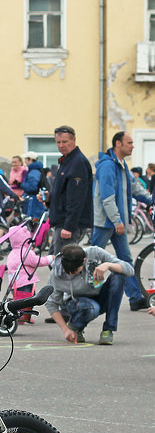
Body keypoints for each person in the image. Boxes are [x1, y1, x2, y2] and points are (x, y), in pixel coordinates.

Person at [91, 131, 153, 312]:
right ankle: (88, 295)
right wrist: (117, 220)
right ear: (118, 144)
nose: (132, 145)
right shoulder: (107, 166)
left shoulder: (122, 165)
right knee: (93, 260)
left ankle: (135, 298)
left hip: (117, 223)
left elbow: (135, 189)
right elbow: (107, 197)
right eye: (130, 142)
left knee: (125, 259)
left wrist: (151, 200)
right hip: (106, 223)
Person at [45, 243, 133, 345]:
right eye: (67, 271)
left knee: (118, 276)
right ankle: (75, 325)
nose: (70, 274)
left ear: (84, 261)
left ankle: (108, 329)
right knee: (92, 308)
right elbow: (51, 303)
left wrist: (108, 265)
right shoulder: (56, 273)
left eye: (74, 271)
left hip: (99, 296)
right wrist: (66, 330)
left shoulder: (94, 252)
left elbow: (129, 270)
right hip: (76, 303)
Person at [48, 125, 93, 255]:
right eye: (58, 142)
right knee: (54, 261)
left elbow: (77, 198)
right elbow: (64, 193)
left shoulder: (77, 162)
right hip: (61, 221)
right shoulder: (67, 160)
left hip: (68, 225)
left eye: (65, 142)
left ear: (74, 140)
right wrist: (49, 198)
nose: (61, 145)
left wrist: (69, 227)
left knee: (63, 267)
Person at [1, 223, 52, 323]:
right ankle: (23, 316)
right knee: (30, 299)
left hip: (15, 283)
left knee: (20, 300)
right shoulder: (26, 252)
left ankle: (23, 316)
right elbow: (37, 261)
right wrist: (50, 259)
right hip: (25, 282)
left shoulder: (12, 253)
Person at [20, 152, 47, 217]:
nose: (25, 161)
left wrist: (20, 185)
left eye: (26, 159)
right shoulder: (36, 170)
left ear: (30, 159)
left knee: (32, 220)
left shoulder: (33, 171)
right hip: (36, 199)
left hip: (33, 200)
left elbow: (32, 187)